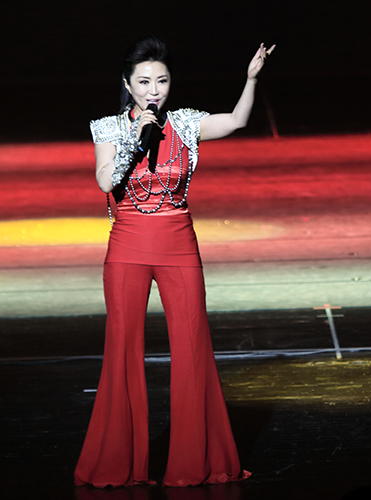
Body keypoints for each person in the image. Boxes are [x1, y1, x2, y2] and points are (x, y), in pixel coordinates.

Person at [74, 35, 273, 488]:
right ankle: (119, 464)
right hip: (127, 247)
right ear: (128, 84)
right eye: (144, 82)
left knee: (192, 348)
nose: (154, 90)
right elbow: (105, 181)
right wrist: (135, 138)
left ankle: (193, 463)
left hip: (179, 245)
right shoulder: (108, 128)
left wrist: (250, 80)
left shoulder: (185, 123)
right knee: (122, 351)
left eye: (161, 81)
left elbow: (236, 121)